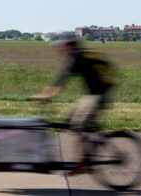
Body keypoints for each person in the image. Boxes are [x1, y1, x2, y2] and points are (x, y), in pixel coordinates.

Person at [33, 33, 116, 174]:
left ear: (69, 45)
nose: (58, 49)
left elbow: (61, 81)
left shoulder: (77, 58)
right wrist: (46, 94)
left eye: (61, 46)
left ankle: (84, 163)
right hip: (91, 95)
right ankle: (92, 141)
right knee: (70, 119)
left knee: (79, 124)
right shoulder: (79, 56)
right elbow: (61, 78)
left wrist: (46, 95)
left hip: (99, 96)